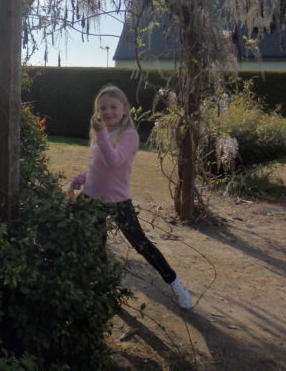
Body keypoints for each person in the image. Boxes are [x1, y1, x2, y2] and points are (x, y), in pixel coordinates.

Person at [68, 84, 193, 310]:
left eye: (113, 107)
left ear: (124, 109)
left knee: (141, 244)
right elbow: (99, 166)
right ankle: (104, 290)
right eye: (102, 107)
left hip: (117, 201)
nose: (108, 111)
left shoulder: (128, 135)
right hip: (91, 198)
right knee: (96, 245)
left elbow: (114, 161)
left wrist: (101, 134)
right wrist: (81, 178)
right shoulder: (102, 134)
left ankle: (175, 284)